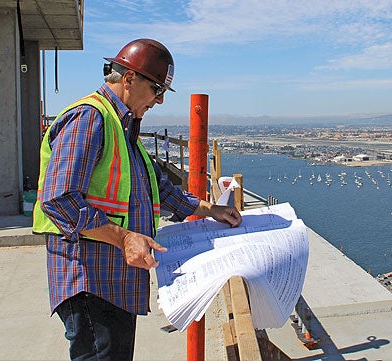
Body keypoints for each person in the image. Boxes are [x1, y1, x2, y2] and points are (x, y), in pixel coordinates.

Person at [32, 38, 242, 361]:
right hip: (91, 282)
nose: (158, 101)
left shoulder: (124, 129)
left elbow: (160, 189)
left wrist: (211, 209)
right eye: (156, 89)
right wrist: (125, 238)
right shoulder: (91, 119)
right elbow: (59, 198)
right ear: (129, 79)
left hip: (114, 283)